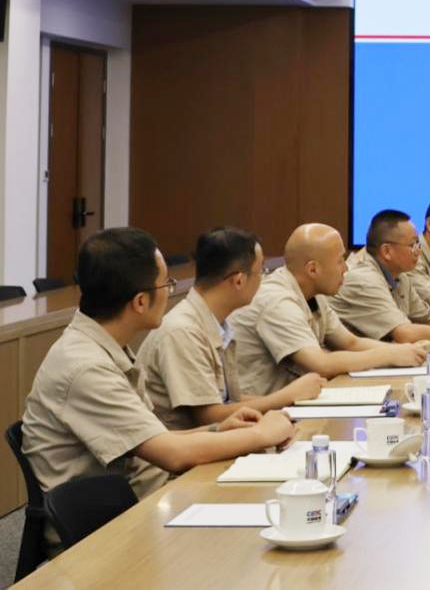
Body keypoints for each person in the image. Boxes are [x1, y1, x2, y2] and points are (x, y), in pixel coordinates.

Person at [21, 228, 295, 550]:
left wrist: (218, 430)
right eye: (166, 284)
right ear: (140, 301)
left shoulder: (105, 346)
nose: (170, 292)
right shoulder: (86, 366)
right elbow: (171, 454)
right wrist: (263, 434)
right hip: (101, 536)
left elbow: (152, 437)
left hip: (130, 503)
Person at [139, 227, 326, 431]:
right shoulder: (183, 331)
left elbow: (228, 400)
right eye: (261, 271)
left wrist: (286, 402)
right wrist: (288, 396)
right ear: (239, 280)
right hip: (188, 446)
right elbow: (209, 416)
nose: (263, 279)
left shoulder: (217, 323)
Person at [229, 223, 428, 398]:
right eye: (340, 260)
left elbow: (350, 342)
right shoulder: (277, 300)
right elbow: (320, 364)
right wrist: (390, 355)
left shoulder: (314, 292)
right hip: (260, 412)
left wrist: (403, 351)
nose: (346, 269)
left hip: (295, 402)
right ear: (313, 269)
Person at [332, 210, 430, 343]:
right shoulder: (364, 280)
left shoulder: (401, 276)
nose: (418, 251)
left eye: (418, 244)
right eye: (413, 245)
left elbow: (429, 318)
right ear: (387, 251)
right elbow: (405, 334)